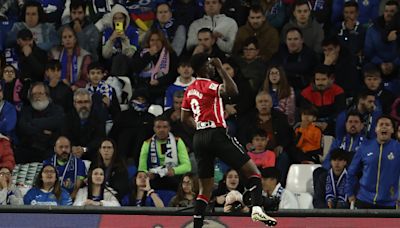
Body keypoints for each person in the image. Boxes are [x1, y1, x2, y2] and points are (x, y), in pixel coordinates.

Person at [181, 53, 277, 227]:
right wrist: (220, 68)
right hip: (216, 134)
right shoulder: (209, 84)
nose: (211, 67)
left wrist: (200, 126)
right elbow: (233, 91)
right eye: (209, 65)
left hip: (199, 138)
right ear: (204, 67)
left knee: (205, 190)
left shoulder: (189, 89)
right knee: (253, 172)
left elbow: (184, 118)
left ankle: (197, 225)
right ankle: (257, 208)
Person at [237, 91, 293, 187]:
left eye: (266, 101)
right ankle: (249, 186)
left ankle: (278, 185)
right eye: (260, 102)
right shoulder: (248, 118)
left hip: (274, 151)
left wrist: (281, 145)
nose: (263, 104)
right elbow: (240, 134)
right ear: (256, 105)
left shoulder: (280, 117)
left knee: (284, 157)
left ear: (271, 104)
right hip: (254, 151)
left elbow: (289, 135)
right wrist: (246, 144)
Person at [346, 115, 400, 209]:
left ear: (392, 130)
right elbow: (351, 172)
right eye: (381, 124)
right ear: (376, 129)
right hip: (364, 200)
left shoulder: (398, 148)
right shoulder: (364, 147)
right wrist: (350, 194)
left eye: (387, 125)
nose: (384, 127)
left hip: (389, 203)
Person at [138, 116, 191, 191]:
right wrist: (147, 174)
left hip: (173, 178)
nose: (161, 130)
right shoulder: (147, 143)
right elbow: (142, 168)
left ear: (169, 128)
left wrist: (174, 170)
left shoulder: (178, 141)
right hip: (154, 178)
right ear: (154, 129)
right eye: (158, 127)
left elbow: (187, 166)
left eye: (165, 127)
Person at [17, 82, 64, 163]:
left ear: (47, 95)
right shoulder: (25, 111)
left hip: (50, 149)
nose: (37, 96)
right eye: (34, 94)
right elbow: (23, 128)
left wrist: (33, 122)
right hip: (29, 149)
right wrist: (43, 132)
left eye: (40, 93)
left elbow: (56, 124)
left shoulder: (57, 110)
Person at [132, 28, 178, 105]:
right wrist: (148, 55)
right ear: (148, 41)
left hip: (162, 87)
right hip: (143, 86)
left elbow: (173, 73)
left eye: (158, 40)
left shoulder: (170, 53)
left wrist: (159, 81)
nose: (155, 43)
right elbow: (135, 68)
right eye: (152, 40)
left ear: (163, 41)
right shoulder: (141, 53)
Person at [61, 88, 106, 161]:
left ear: (91, 103)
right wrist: (72, 148)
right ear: (74, 104)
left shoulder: (99, 117)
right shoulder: (67, 117)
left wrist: (84, 149)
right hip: (72, 152)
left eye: (86, 102)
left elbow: (100, 138)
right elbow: (65, 136)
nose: (83, 105)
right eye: (80, 102)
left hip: (92, 153)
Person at [300, 65, 346, 135]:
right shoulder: (306, 93)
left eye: (323, 79)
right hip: (313, 123)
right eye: (317, 80)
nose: (320, 83)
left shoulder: (338, 91)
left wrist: (327, 123)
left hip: (332, 124)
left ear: (330, 79)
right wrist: (316, 123)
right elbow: (306, 113)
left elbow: (340, 112)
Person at [270, 27, 317, 91]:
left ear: (302, 40)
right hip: (282, 86)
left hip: (302, 88)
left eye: (295, 39)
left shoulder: (309, 53)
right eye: (289, 39)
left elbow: (303, 67)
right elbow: (273, 66)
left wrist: (282, 67)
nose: (292, 42)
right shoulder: (281, 51)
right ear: (286, 41)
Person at [50, 26, 92, 90]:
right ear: (62, 41)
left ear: (75, 39)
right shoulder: (54, 54)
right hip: (57, 87)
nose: (67, 39)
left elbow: (86, 78)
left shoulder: (84, 56)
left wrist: (75, 85)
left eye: (70, 36)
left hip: (77, 89)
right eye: (64, 37)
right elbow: (49, 73)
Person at [102, 4, 138, 76]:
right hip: (110, 65)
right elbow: (105, 55)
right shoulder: (107, 32)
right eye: (115, 18)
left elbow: (129, 54)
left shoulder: (133, 32)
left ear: (125, 19)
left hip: (128, 65)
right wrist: (111, 39)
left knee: (120, 57)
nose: (118, 21)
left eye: (120, 18)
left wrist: (124, 39)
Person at [364, 1, 400, 68]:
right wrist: (381, 64)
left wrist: (394, 64)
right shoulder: (373, 29)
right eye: (386, 11)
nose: (388, 14)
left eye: (392, 11)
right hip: (377, 65)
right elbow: (369, 52)